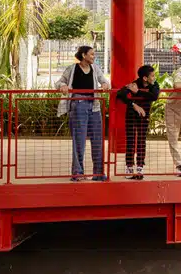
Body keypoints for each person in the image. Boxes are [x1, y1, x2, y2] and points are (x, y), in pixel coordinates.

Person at [56, 44, 109, 181]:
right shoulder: (72, 69)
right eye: (91, 54)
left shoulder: (95, 68)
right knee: (79, 140)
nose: (93, 56)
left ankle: (98, 173)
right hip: (78, 105)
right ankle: (78, 173)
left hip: (94, 106)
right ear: (84, 55)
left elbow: (104, 81)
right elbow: (59, 82)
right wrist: (63, 86)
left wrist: (104, 84)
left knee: (97, 140)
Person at [116, 65, 159, 179]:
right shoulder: (134, 83)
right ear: (145, 78)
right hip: (131, 115)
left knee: (141, 140)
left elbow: (154, 96)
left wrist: (138, 92)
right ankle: (129, 166)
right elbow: (120, 94)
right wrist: (133, 104)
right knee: (130, 140)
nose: (154, 77)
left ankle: (140, 166)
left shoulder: (154, 84)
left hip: (144, 116)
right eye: (152, 76)